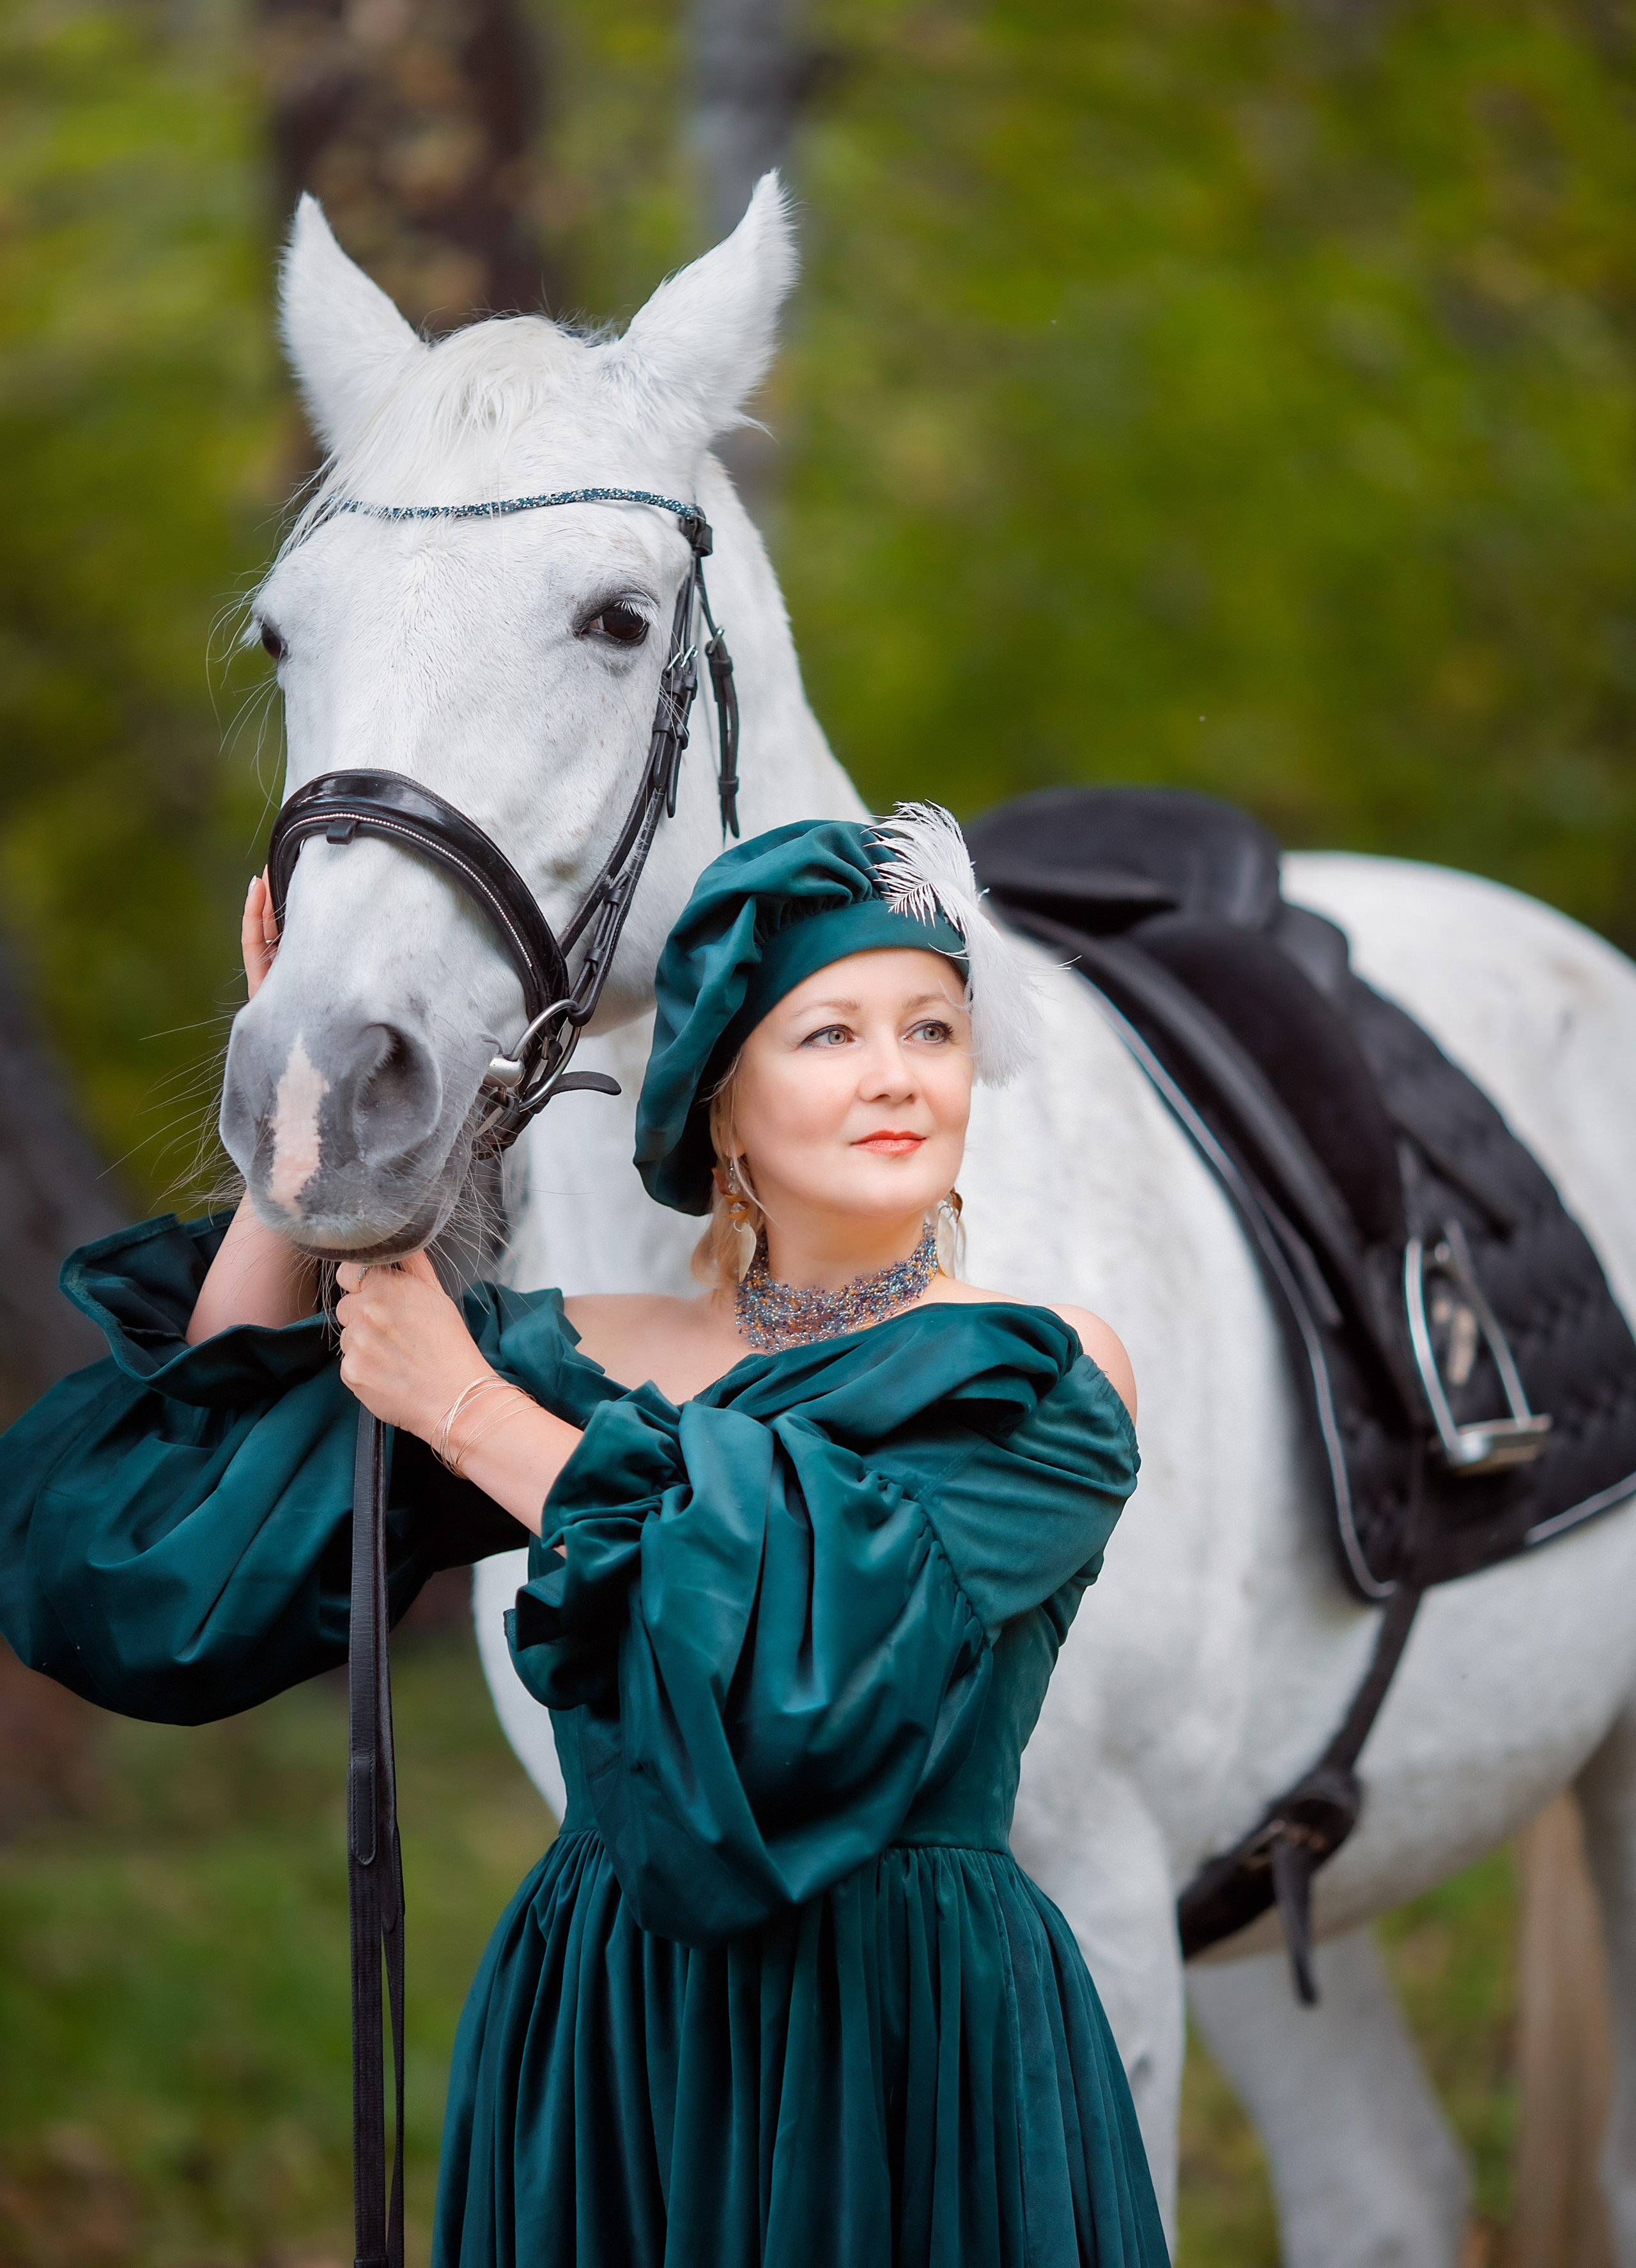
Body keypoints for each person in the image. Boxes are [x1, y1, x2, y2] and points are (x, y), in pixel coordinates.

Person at [0, 804, 1169, 2268]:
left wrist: (470, 1410)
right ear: (719, 1102)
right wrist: (300, 1127)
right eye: (830, 1035)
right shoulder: (579, 1356)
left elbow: (812, 1656)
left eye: (931, 1032)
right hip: (614, 2027)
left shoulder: (1037, 1372)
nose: (895, 1078)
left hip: (906, 2024)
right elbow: (185, 1505)